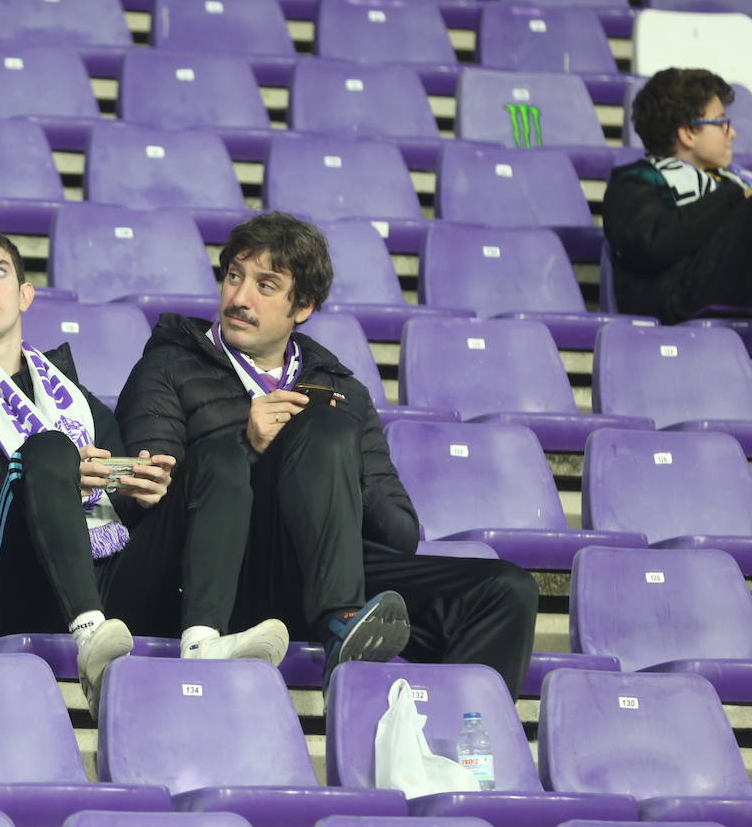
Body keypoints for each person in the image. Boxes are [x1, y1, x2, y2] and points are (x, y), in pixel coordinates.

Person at [115, 212, 540, 696]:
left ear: (304, 307)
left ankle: (459, 738)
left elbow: (400, 533)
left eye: (266, 285)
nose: (239, 297)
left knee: (506, 590)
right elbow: (143, 508)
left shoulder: (340, 391)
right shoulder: (168, 365)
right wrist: (246, 445)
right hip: (207, 577)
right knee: (315, 430)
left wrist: (336, 460)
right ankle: (341, 620)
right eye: (235, 276)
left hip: (311, 568)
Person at [0, 226, 289, 718]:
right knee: (48, 450)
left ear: (24, 294)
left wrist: (143, 493)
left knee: (220, 458)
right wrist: (44, 479)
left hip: (104, 583)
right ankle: (88, 637)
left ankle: (203, 640)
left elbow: (117, 516)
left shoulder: (77, 401)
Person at [603, 67, 752, 324]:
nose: (732, 133)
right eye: (721, 123)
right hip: (676, 295)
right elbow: (655, 244)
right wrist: (735, 199)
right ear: (688, 133)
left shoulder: (735, 178)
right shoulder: (633, 182)